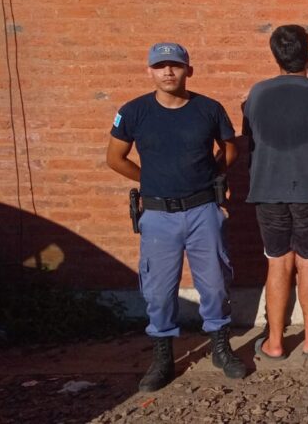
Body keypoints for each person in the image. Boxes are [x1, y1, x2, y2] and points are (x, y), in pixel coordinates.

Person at [106, 42, 246, 392]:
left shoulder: (208, 109)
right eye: (160, 66)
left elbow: (230, 149)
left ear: (188, 70)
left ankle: (221, 348)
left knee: (215, 284)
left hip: (203, 211)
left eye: (175, 65)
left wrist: (212, 175)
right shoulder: (134, 112)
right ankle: (163, 357)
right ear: (149, 71)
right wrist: (149, 180)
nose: (168, 72)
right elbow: (115, 158)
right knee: (158, 291)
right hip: (158, 215)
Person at [243, 25, 308, 360]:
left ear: (275, 56)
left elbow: (252, 144)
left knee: (277, 262)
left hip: (267, 189)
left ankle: (274, 342)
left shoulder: (256, 93)